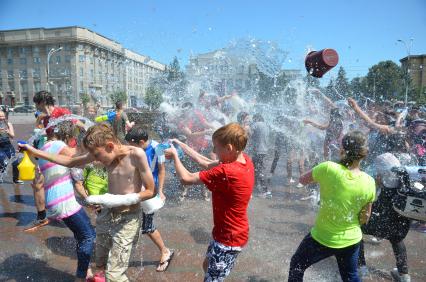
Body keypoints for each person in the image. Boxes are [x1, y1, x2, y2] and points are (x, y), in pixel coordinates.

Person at [20, 123, 155, 282]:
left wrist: (121, 199)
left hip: (128, 218)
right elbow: (70, 162)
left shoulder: (136, 154)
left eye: (97, 156)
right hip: (107, 214)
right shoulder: (102, 150)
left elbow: (150, 191)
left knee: (114, 275)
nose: (95, 160)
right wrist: (35, 151)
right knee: (100, 262)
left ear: (110, 146)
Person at [165, 123, 254, 281]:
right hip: (224, 233)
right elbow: (204, 162)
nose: (213, 151)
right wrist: (181, 145)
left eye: (216, 148)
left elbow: (186, 179)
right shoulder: (244, 160)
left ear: (229, 148)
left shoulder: (227, 171)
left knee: (212, 278)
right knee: (207, 265)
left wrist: (175, 156)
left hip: (229, 239)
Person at [288, 131, 376, 282]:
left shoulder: (328, 168)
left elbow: (302, 180)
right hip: (351, 239)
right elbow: (365, 217)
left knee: (297, 264)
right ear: (363, 153)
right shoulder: (369, 181)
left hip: (322, 237)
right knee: (351, 276)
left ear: (342, 149)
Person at [33, 120, 96, 282]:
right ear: (67, 136)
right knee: (87, 236)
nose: (73, 142)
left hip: (60, 199)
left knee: (86, 229)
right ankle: (81, 277)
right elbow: (77, 158)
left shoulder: (45, 147)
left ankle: (86, 269)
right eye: (72, 138)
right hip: (63, 201)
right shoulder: (57, 145)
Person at [358, 132, 415, 282]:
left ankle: (361, 268)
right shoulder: (411, 159)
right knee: (396, 239)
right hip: (403, 219)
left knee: (355, 229)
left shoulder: (384, 158)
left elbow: (374, 181)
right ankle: (404, 276)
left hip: (382, 219)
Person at [125, 126, 174, 272]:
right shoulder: (135, 148)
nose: (129, 148)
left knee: (148, 227)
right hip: (136, 188)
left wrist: (160, 191)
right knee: (130, 219)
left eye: (132, 145)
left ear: (141, 142)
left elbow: (162, 170)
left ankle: (165, 251)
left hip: (149, 191)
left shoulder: (157, 148)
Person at [249, 113, 271, 198]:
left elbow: (249, 133)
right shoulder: (266, 125)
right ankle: (259, 189)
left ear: (256, 119)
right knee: (258, 169)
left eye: (254, 119)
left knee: (258, 170)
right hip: (264, 150)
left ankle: (266, 191)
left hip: (258, 150)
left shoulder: (256, 124)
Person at [0, 110, 21, 184]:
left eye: (3, 116)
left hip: (8, 145)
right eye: (0, 116)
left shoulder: (8, 124)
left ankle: (16, 179)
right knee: (3, 162)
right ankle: (0, 177)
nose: (1, 118)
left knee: (15, 162)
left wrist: (8, 132)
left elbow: (12, 136)